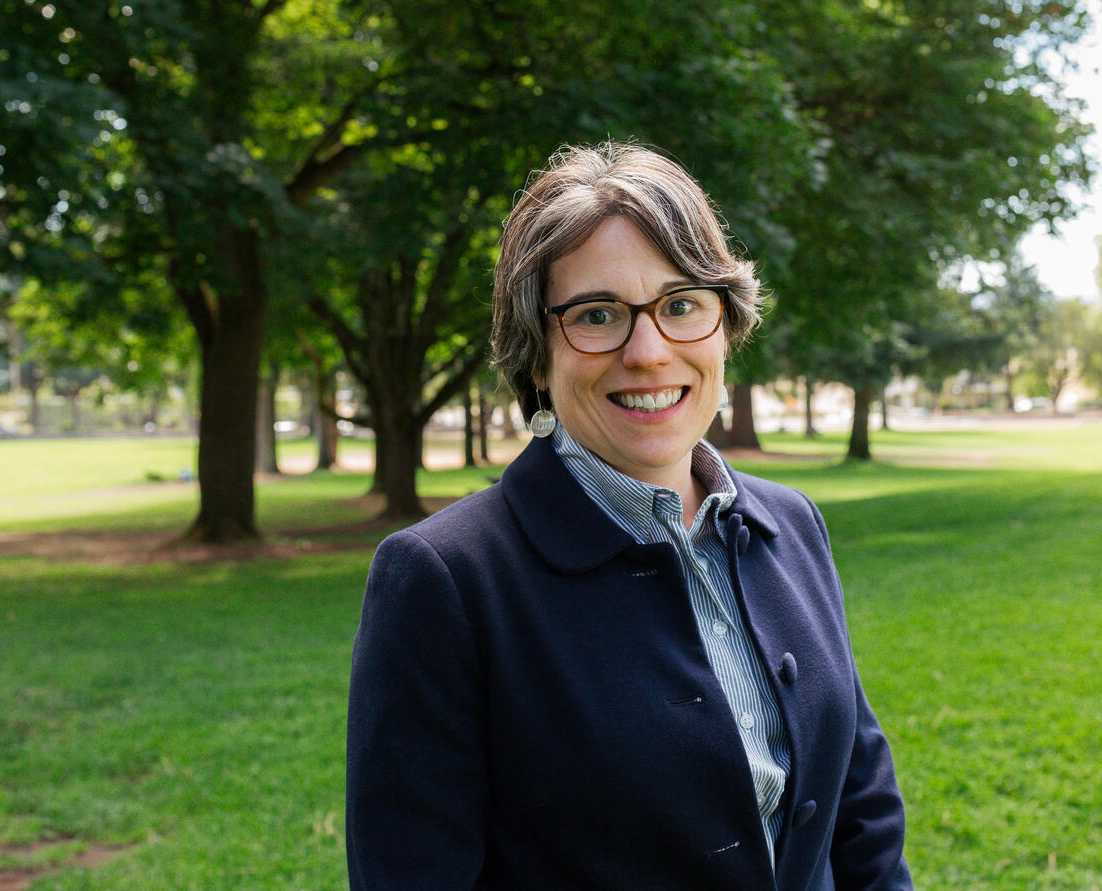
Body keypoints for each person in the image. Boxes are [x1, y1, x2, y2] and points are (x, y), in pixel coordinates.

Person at [346, 143, 911, 890]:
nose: (647, 351)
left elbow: (860, 806)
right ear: (537, 355)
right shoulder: (444, 580)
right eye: (597, 314)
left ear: (724, 323)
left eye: (681, 304)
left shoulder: (792, 521)